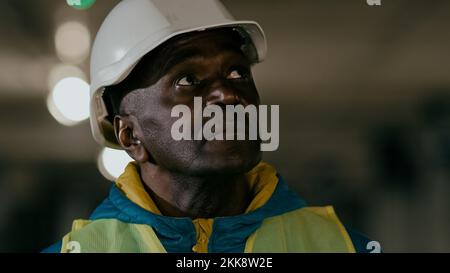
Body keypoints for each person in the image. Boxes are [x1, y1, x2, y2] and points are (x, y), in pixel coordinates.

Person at [43, 0, 375, 253]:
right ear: (131, 135)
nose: (228, 94)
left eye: (237, 72)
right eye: (188, 79)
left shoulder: (339, 246)